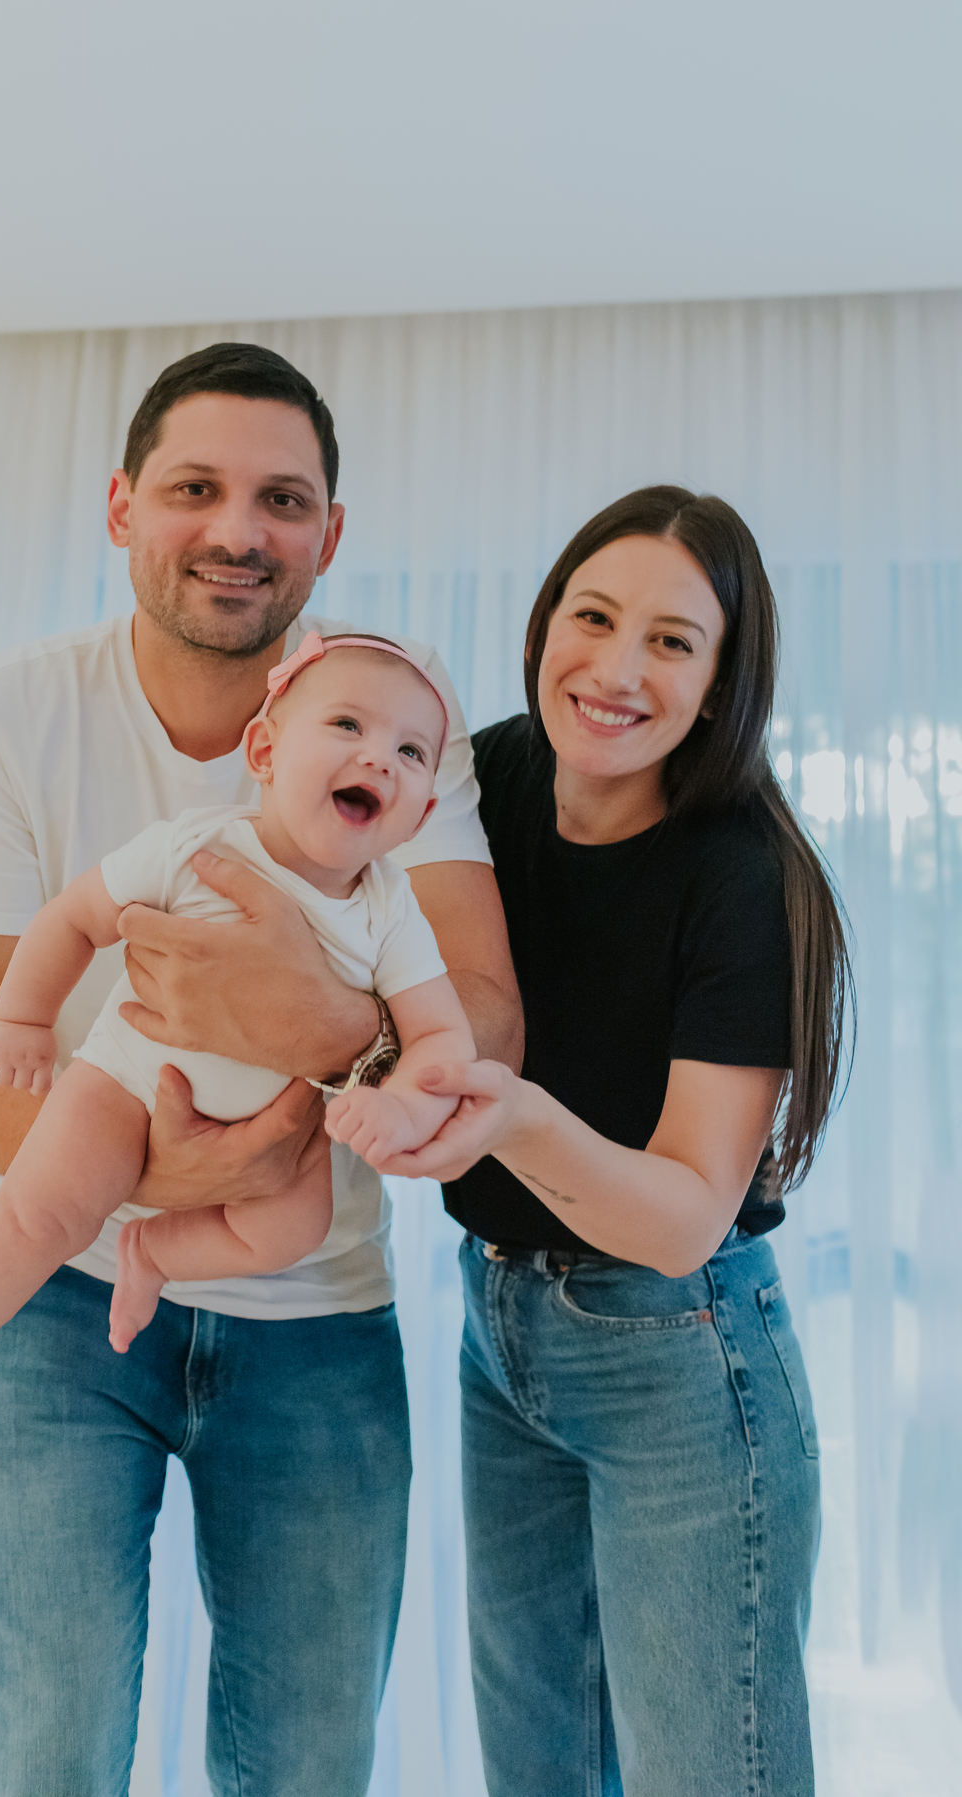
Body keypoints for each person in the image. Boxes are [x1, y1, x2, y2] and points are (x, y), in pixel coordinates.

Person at [0, 342, 522, 1796]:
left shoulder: (391, 729)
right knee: (38, 1749)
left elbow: (485, 1028)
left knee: (306, 1763)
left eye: (281, 499)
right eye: (196, 488)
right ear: (123, 507)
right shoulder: (8, 717)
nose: (239, 530)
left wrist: (318, 1025)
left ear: (329, 535)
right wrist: (164, 1172)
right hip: (55, 1307)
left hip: (319, 1329)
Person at [364, 487, 852, 1797]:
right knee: (541, 1770)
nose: (618, 668)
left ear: (722, 683)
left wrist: (507, 1109)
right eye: (594, 615)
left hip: (678, 1354)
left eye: (674, 642)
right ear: (545, 621)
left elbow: (689, 1209)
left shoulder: (744, 877)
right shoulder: (486, 776)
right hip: (497, 1329)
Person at [0, 632, 476, 1446]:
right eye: (347, 726)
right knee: (43, 1210)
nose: (379, 758)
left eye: (410, 751)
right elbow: (74, 919)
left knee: (292, 1230)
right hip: (125, 1086)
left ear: (422, 813)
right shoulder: (198, 846)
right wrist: (22, 1018)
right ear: (265, 750)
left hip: (285, 1136)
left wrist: (405, 1109)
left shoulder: (390, 913)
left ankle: (157, 1252)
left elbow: (444, 1037)